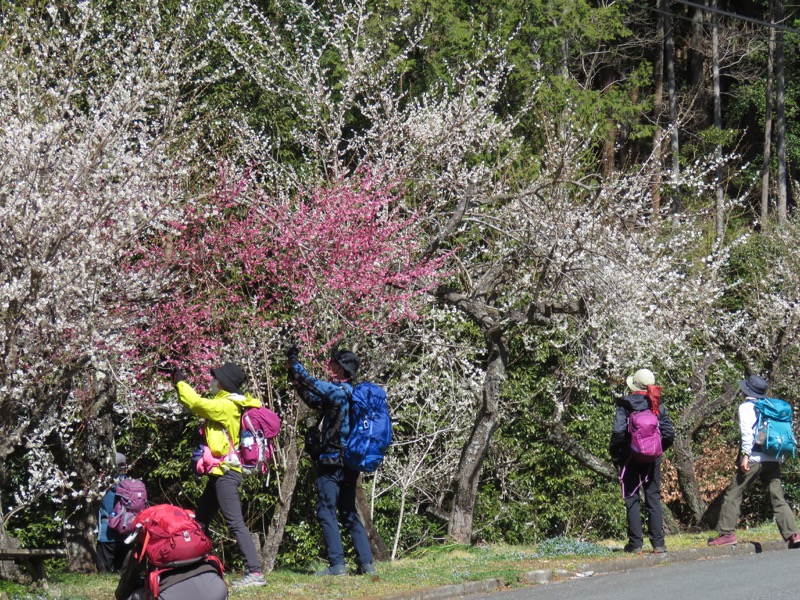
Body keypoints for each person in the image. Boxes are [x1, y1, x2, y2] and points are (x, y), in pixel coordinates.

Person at [171, 362, 267, 588]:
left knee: (235, 522)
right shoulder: (226, 403)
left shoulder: (226, 405)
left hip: (226, 473)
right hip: (219, 472)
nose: (211, 382)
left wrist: (181, 382)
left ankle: (255, 572)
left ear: (223, 383)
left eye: (214, 379)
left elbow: (195, 403)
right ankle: (190, 568)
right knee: (201, 521)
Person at [286, 345, 376, 576]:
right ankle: (366, 564)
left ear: (340, 369)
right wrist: (296, 381)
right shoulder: (350, 394)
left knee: (326, 510)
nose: (329, 365)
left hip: (332, 461)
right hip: (350, 462)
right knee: (348, 511)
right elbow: (313, 400)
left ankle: (337, 565)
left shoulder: (337, 392)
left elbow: (308, 381)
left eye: (333, 363)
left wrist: (294, 362)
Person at [707, 374, 800, 549]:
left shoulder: (746, 407)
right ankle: (793, 534)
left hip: (754, 458)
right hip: (773, 458)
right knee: (777, 496)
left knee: (734, 492)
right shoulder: (770, 407)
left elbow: (747, 434)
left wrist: (745, 455)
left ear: (746, 391)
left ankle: (726, 533)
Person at [610, 368, 675, 555]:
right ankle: (658, 544)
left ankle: (636, 544)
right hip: (653, 458)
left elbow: (618, 432)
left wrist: (617, 454)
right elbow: (669, 433)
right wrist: (657, 449)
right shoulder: (656, 405)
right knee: (653, 496)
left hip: (629, 457)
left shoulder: (625, 405)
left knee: (632, 497)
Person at [96, 452, 131, 573]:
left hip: (107, 534)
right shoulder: (132, 485)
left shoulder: (103, 486)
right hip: (127, 533)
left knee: (103, 573)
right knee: (121, 573)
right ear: (125, 466)